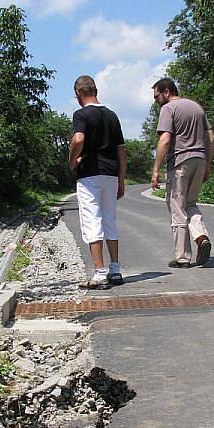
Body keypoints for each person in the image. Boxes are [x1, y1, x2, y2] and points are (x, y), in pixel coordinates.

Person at [150, 77, 214, 268]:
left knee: (177, 208)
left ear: (166, 92)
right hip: (200, 160)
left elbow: (165, 140)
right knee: (190, 204)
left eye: (156, 96)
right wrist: (208, 164)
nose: (156, 101)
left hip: (180, 162)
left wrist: (155, 170)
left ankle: (182, 258)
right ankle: (202, 238)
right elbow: (211, 136)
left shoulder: (168, 109)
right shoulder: (196, 107)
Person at [69, 75, 127, 288]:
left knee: (92, 220)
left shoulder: (81, 114)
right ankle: (115, 270)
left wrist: (72, 159)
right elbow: (122, 151)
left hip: (90, 174)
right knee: (110, 220)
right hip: (111, 173)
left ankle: (100, 274)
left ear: (78, 93)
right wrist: (121, 179)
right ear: (95, 90)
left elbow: (78, 139)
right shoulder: (112, 116)